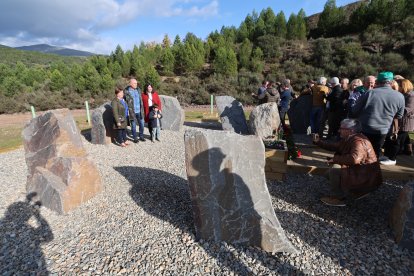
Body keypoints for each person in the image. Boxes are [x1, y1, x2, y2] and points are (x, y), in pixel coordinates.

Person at [313, 119, 382, 207]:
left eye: (341, 128)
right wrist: (318, 142)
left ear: (350, 130)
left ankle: (338, 198)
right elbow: (335, 146)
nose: (339, 130)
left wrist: (335, 159)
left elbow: (354, 159)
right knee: (327, 174)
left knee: (334, 170)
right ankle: (351, 192)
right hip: (359, 169)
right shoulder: (350, 138)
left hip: (364, 174)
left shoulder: (358, 141)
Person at [350, 72, 405, 158]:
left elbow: (354, 111)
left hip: (365, 129)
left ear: (377, 82)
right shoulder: (400, 96)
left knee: (361, 153)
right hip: (383, 130)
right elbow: (399, 115)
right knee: (375, 154)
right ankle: (373, 168)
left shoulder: (369, 93)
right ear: (391, 82)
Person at [382, 79, 414, 164]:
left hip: (404, 123)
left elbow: (407, 109)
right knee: (391, 139)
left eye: (398, 85)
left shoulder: (411, 96)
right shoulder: (402, 94)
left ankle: (392, 159)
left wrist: (391, 110)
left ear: (403, 86)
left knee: (397, 140)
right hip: (397, 121)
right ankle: (387, 156)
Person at [124, 78, 145, 143]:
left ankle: (141, 136)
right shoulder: (126, 91)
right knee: (133, 125)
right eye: (134, 83)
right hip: (132, 111)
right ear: (130, 84)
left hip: (139, 111)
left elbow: (141, 99)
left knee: (142, 124)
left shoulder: (138, 89)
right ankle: (135, 138)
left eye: (136, 83)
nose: (136, 84)